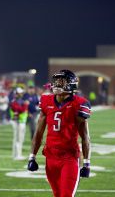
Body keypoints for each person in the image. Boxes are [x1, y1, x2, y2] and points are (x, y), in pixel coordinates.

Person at [27, 69, 91, 197]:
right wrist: (32, 156)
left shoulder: (79, 104)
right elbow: (39, 132)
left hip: (69, 157)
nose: (57, 85)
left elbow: (85, 137)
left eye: (61, 82)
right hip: (50, 157)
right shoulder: (46, 101)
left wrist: (86, 162)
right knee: (57, 194)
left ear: (71, 84)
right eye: (56, 81)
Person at [9, 87, 29, 160]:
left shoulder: (20, 101)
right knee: (18, 139)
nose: (21, 94)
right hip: (18, 121)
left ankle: (17, 154)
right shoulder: (14, 102)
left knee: (21, 139)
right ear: (16, 94)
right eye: (20, 93)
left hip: (22, 121)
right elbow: (20, 110)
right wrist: (25, 105)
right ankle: (17, 155)